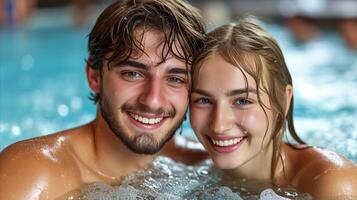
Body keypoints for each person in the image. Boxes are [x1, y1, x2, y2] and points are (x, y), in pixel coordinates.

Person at [0, 0, 207, 198]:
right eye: (132, 73)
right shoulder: (35, 172)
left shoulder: (207, 164)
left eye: (175, 79)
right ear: (94, 77)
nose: (152, 100)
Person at [189, 17, 357, 199]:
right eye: (204, 100)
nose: (218, 125)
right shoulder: (190, 164)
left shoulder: (333, 183)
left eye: (243, 101)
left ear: (283, 102)